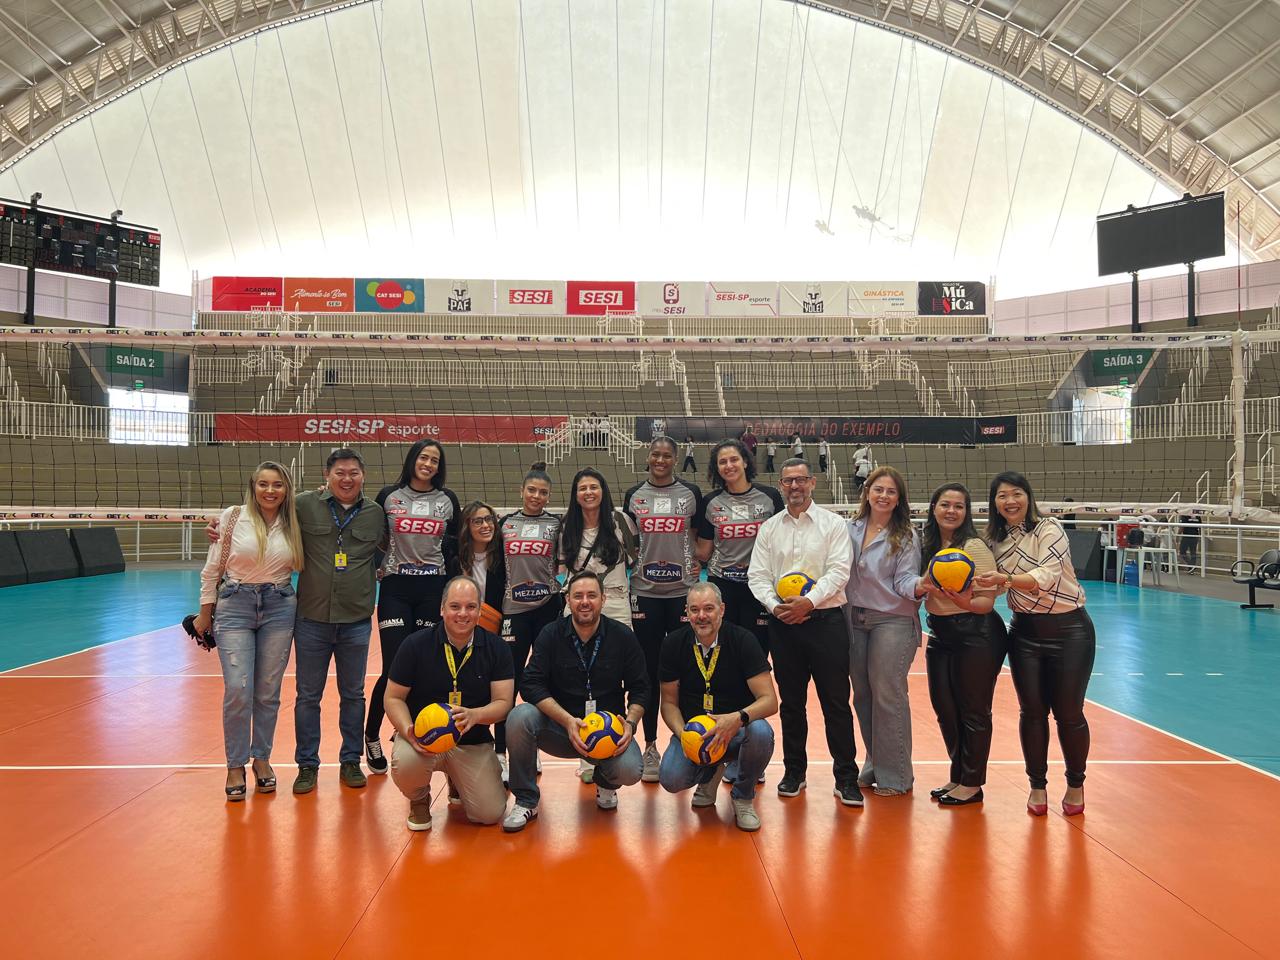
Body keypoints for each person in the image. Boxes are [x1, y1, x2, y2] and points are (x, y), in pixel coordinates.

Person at [211, 448, 386, 793]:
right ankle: (307, 765)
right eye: (339, 473)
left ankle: (351, 761)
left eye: (353, 472)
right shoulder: (303, 505)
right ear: (327, 476)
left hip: (355, 619)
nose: (346, 479)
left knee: (353, 695)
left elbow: (389, 547)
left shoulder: (376, 514)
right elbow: (264, 510)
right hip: (311, 618)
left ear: (363, 476)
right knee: (307, 696)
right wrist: (220, 525)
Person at [975, 471, 1095, 817]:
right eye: (1002, 496)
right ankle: (1037, 785)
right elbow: (992, 586)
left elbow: (1047, 576)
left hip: (1070, 632)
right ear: (994, 503)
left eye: (1016, 493)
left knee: (1069, 713)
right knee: (1031, 712)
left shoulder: (1049, 529)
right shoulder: (993, 540)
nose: (1010, 501)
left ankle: (1075, 783)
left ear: (1028, 497)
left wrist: (1005, 579)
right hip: (1024, 633)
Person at [747, 458, 862, 806]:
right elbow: (758, 576)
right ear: (780, 486)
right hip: (784, 625)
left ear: (812, 482)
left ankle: (846, 777)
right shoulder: (770, 528)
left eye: (800, 480)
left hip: (826, 623)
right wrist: (776, 607)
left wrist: (808, 603)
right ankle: (794, 772)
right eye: (788, 481)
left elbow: (839, 571)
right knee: (791, 704)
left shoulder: (833, 524)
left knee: (836, 703)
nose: (794, 486)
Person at [502, 572, 648, 831]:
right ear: (568, 600)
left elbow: (641, 687)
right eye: (578, 596)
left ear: (603, 599)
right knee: (519, 717)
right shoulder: (551, 634)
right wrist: (567, 721)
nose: (585, 602)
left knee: (631, 769)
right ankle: (526, 800)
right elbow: (530, 684)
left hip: (608, 735)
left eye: (592, 595)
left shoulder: (622, 636)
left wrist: (631, 723)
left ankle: (606, 783)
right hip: (561, 730)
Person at [195, 461, 305, 800]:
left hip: (279, 605)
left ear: (287, 490)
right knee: (238, 689)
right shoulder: (232, 517)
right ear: (253, 487)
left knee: (268, 691)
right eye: (263, 484)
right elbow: (212, 568)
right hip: (235, 604)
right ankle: (235, 764)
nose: (270, 491)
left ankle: (262, 759)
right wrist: (204, 614)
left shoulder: (295, 520)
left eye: (278, 484)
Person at [383, 576, 513, 832]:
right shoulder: (415, 644)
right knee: (406, 763)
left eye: (470, 607)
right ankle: (419, 798)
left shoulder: (497, 648)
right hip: (423, 740)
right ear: (442, 609)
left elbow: (503, 702)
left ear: (480, 610)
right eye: (455, 606)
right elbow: (393, 697)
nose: (463, 614)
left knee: (489, 813)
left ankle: (457, 779)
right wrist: (408, 730)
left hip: (472, 741)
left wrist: (475, 715)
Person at [365, 440, 461, 775]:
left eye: (435, 460)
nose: (428, 463)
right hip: (396, 589)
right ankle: (371, 735)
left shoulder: (447, 500)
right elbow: (369, 531)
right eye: (424, 457)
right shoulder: (389, 496)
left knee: (424, 664)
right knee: (394, 665)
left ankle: (412, 728)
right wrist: (378, 564)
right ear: (412, 460)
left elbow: (455, 544)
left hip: (432, 589)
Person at [657, 582, 778, 831]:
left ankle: (743, 796)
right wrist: (684, 735)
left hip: (736, 731)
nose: (701, 616)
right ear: (687, 612)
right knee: (671, 779)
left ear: (722, 609)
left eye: (709, 609)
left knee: (761, 732)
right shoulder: (673, 643)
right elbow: (668, 703)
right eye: (694, 610)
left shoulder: (743, 640)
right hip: (695, 733)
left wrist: (737, 718)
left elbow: (769, 701)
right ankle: (711, 773)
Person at [918, 483, 1008, 806]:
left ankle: (971, 783)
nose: (951, 511)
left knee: (974, 711)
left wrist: (964, 601)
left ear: (966, 512)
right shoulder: (928, 544)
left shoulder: (974, 547)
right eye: (945, 504)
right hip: (940, 634)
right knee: (945, 709)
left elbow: (986, 602)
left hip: (977, 633)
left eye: (959, 506)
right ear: (934, 508)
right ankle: (958, 774)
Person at [623, 436, 705, 782]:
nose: (660, 460)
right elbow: (629, 543)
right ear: (648, 457)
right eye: (655, 454)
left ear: (675, 459)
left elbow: (700, 541)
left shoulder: (691, 494)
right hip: (644, 592)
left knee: (685, 668)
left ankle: (686, 737)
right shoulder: (634, 495)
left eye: (667, 455)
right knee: (649, 671)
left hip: (682, 593)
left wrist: (695, 565)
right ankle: (651, 745)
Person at [845, 466, 926, 797]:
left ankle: (896, 776)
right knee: (862, 695)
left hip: (892, 619)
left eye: (891, 491)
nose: (883, 495)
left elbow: (905, 579)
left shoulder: (905, 535)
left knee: (888, 694)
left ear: (899, 499)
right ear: (867, 492)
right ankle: (876, 761)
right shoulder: (849, 528)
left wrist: (921, 585)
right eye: (878, 489)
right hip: (853, 618)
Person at [559, 468, 639, 783]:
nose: (589, 492)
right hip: (578, 602)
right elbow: (561, 567)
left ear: (603, 490)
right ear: (575, 495)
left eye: (594, 486)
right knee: (579, 674)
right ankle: (587, 752)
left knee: (614, 672)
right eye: (583, 488)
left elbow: (635, 556)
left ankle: (614, 737)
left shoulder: (621, 522)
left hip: (615, 601)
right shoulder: (567, 525)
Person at [495, 463, 564, 778]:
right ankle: (500, 752)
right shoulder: (506, 524)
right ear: (521, 490)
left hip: (547, 608)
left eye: (543, 492)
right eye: (532, 490)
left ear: (549, 496)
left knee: (542, 680)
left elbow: (566, 563)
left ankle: (531, 748)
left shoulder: (555, 525)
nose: (536, 496)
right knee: (506, 682)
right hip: (514, 610)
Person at [696, 438, 783, 658]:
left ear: (745, 462)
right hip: (722, 584)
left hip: (759, 585)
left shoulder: (770, 497)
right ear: (717, 468)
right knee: (724, 649)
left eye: (734, 459)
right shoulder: (710, 502)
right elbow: (704, 552)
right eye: (722, 462)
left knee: (757, 650)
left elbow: (782, 542)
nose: (729, 465)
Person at [447, 500, 506, 616]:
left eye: (489, 519)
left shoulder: (502, 557)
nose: (486, 525)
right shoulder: (455, 560)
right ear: (466, 527)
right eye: (478, 522)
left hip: (494, 620)